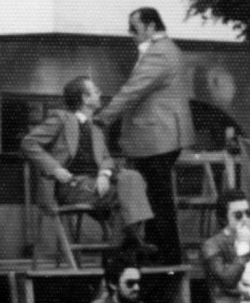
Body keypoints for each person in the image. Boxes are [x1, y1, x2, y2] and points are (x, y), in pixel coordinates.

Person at [96, 7, 195, 266]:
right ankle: (160, 253)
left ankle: (165, 256)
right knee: (156, 197)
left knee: (158, 200)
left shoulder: (159, 53)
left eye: (134, 28)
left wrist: (102, 118)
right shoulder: (165, 50)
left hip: (156, 137)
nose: (130, 34)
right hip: (158, 137)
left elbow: (133, 90)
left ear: (151, 27)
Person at [21, 76, 155, 251]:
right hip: (71, 186)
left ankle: (125, 244)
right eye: (96, 91)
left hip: (95, 185)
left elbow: (106, 159)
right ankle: (126, 244)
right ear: (85, 98)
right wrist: (55, 168)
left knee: (132, 177)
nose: (100, 94)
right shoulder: (61, 119)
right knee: (128, 196)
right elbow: (29, 142)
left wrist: (104, 175)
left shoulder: (96, 129)